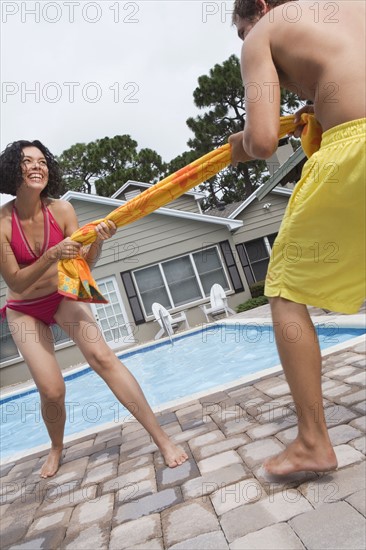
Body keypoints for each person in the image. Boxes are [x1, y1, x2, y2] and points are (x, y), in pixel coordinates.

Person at [228, 0, 365, 475]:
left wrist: (238, 146)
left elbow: (264, 139)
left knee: (284, 290)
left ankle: (312, 442)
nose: (246, 38)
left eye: (242, 29)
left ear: (262, 8)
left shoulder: (263, 32)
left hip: (357, 148)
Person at [0, 140, 188, 478]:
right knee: (52, 389)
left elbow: (86, 263)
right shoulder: (1, 222)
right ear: (12, 169)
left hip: (61, 296)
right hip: (23, 308)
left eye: (42, 161)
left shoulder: (61, 211)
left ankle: (162, 439)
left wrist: (98, 240)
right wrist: (53, 255)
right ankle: (56, 447)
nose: (36, 167)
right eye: (27, 161)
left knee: (104, 358)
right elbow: (16, 281)